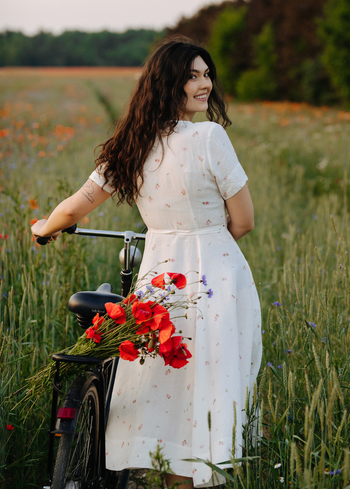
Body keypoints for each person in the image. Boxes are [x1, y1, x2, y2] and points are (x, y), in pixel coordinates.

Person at [31, 37, 262, 488]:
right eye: (192, 76)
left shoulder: (130, 143)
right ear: (167, 83)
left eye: (206, 74)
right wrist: (208, 244)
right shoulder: (210, 136)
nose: (205, 85)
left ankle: (152, 470)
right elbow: (245, 221)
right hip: (216, 274)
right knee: (211, 378)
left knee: (162, 377)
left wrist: (44, 227)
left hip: (159, 275)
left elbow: (78, 205)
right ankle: (195, 474)